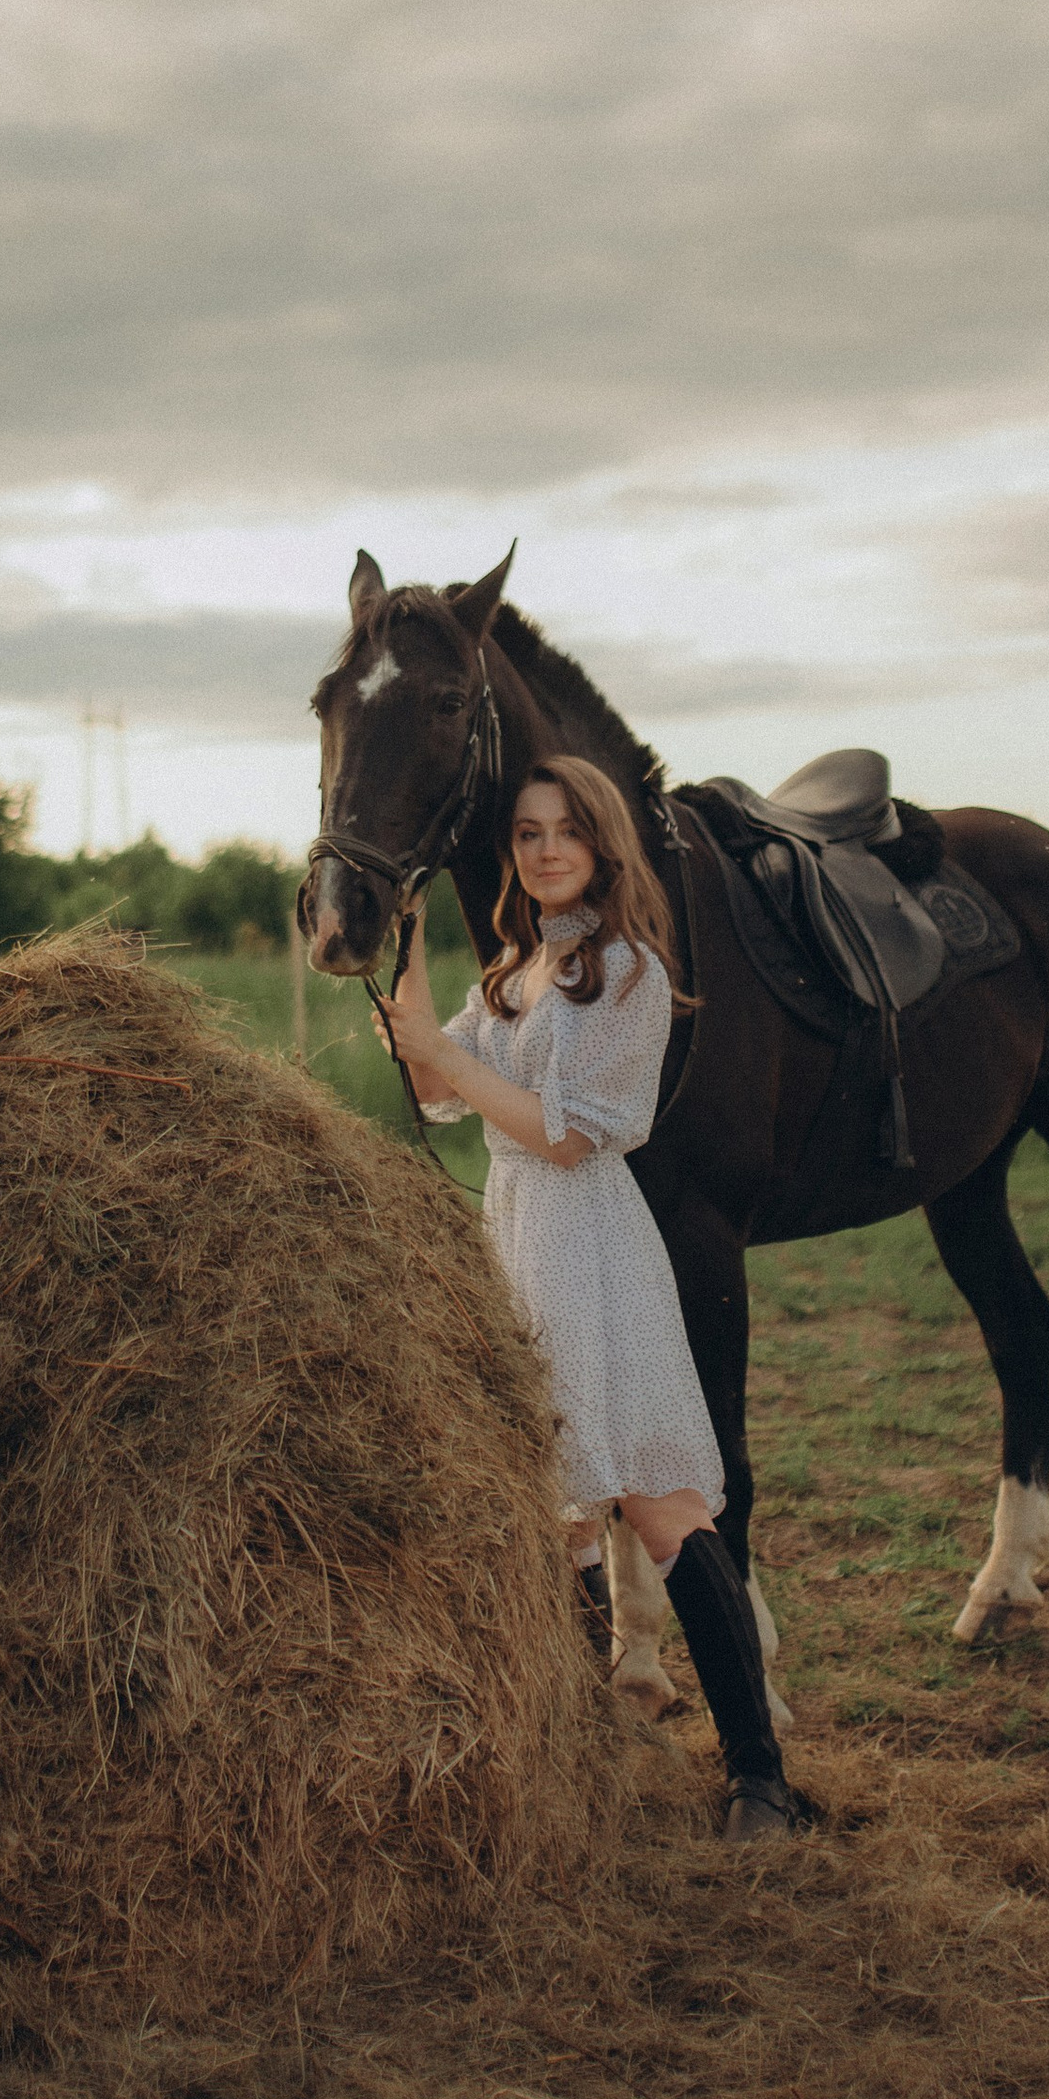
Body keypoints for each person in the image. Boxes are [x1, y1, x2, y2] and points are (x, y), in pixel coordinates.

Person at [376, 754, 804, 1843]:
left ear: (602, 843)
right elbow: (429, 1084)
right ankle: (578, 1767)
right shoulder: (513, 971)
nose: (547, 848)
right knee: (551, 1505)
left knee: (656, 1501)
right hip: (516, 1241)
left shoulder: (627, 971)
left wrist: (444, 1056)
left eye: (567, 829)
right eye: (526, 833)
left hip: (591, 1245)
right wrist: (412, 945)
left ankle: (759, 1778)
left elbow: (567, 1133)